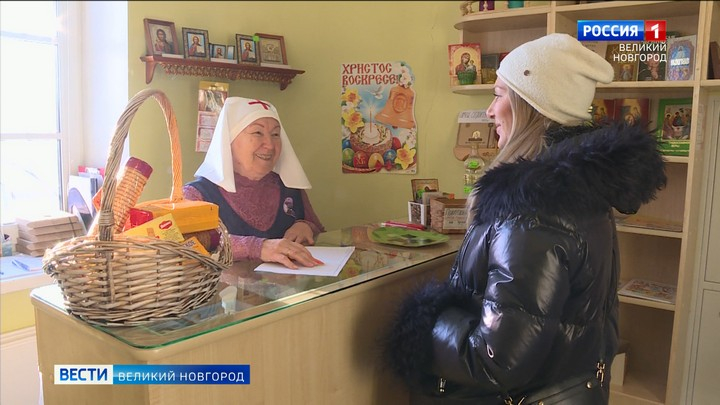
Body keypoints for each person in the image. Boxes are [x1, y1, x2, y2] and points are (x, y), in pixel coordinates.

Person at [383, 33, 666, 404]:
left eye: (499, 94)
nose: (489, 110)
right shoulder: (577, 188)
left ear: (529, 105)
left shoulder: (532, 210)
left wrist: (423, 320)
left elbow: (496, 360)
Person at [184, 97, 326, 269]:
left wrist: (306, 226)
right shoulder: (196, 195)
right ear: (229, 140)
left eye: (275, 134)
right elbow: (186, 244)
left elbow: (317, 228)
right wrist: (258, 248)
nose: (270, 145)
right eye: (258, 133)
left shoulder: (289, 187)